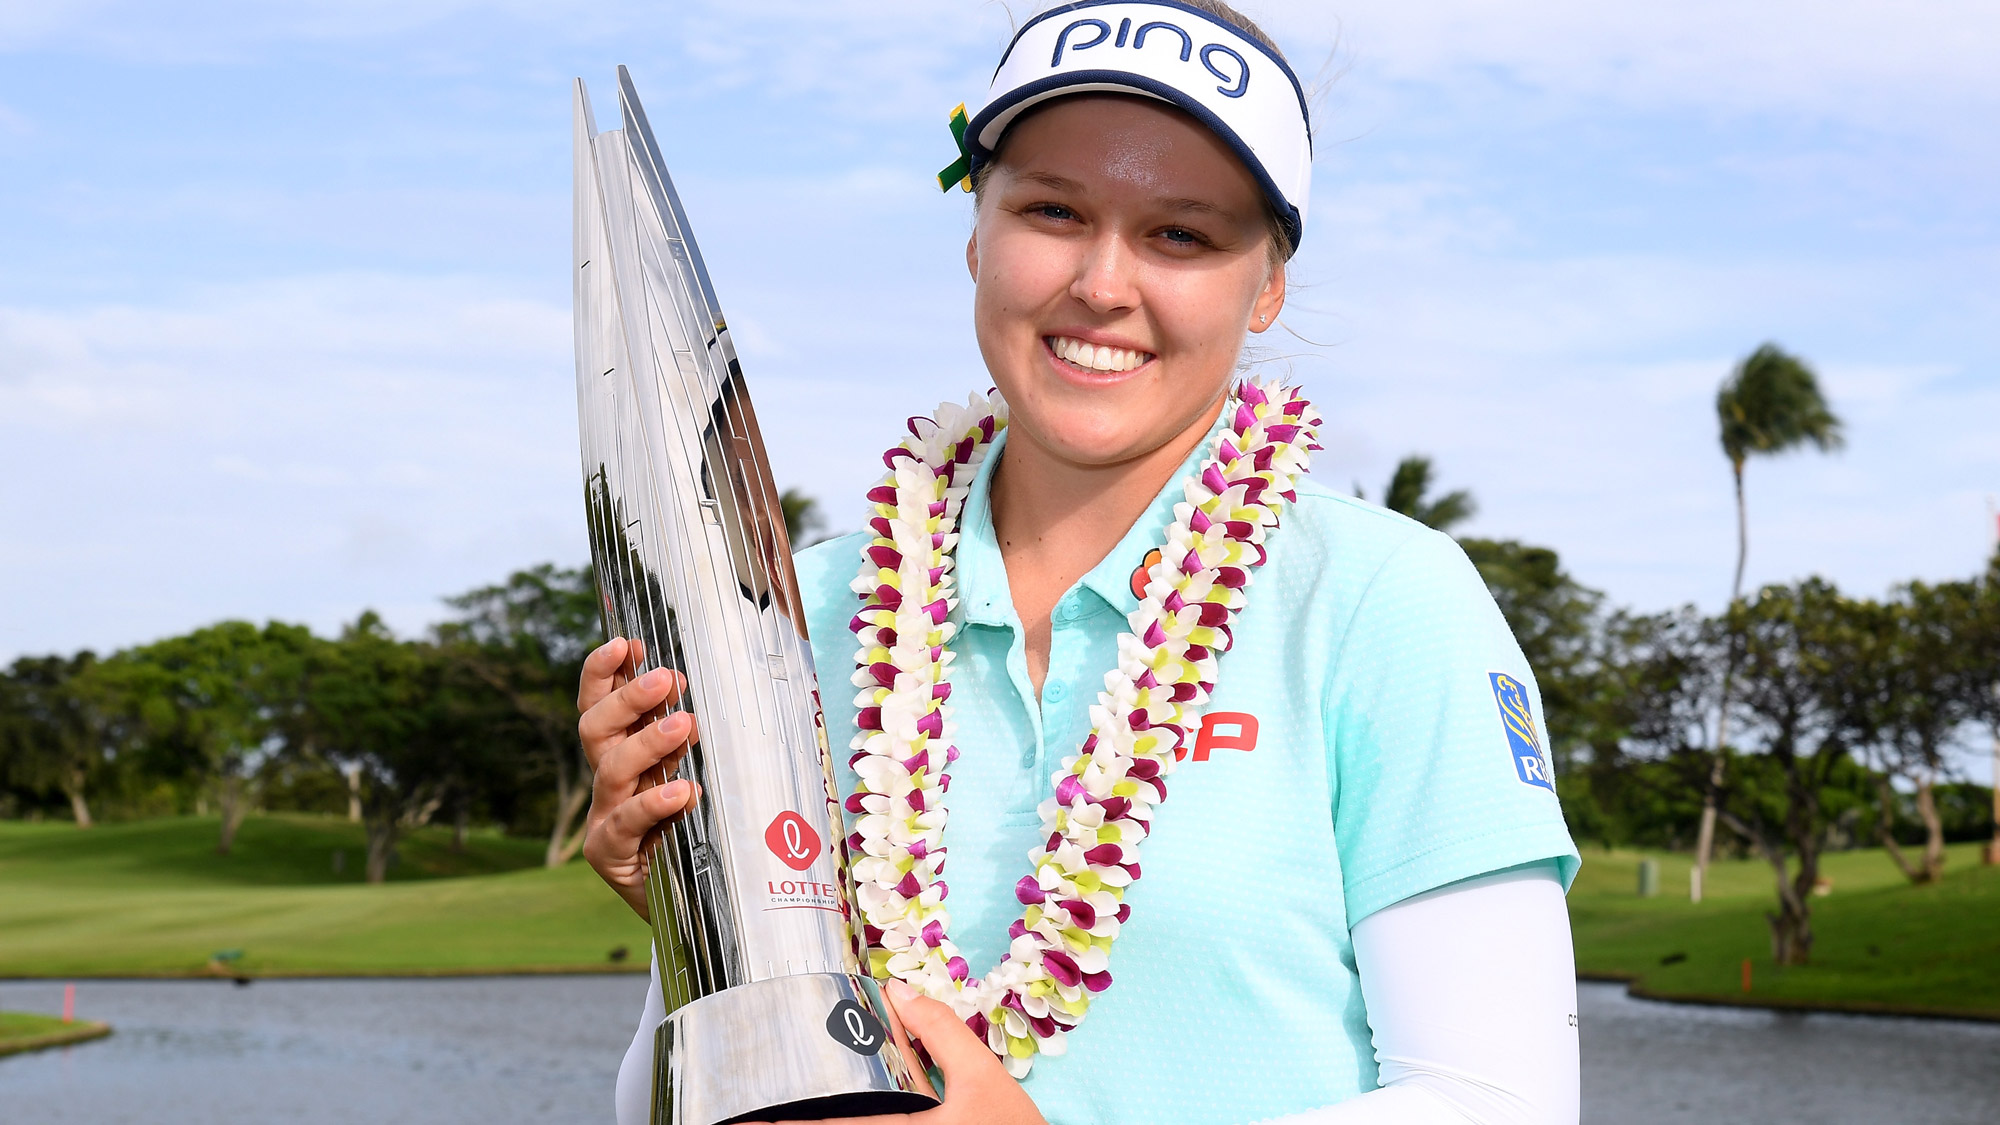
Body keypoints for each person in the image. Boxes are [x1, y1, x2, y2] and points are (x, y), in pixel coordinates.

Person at [577, 2, 1583, 1122]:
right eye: (1053, 210)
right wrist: (693, 922)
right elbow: (668, 1106)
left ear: (1265, 284)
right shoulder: (800, 603)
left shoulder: (1384, 601)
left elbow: (1498, 1102)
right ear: (976, 232)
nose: (1102, 284)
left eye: (1180, 235)